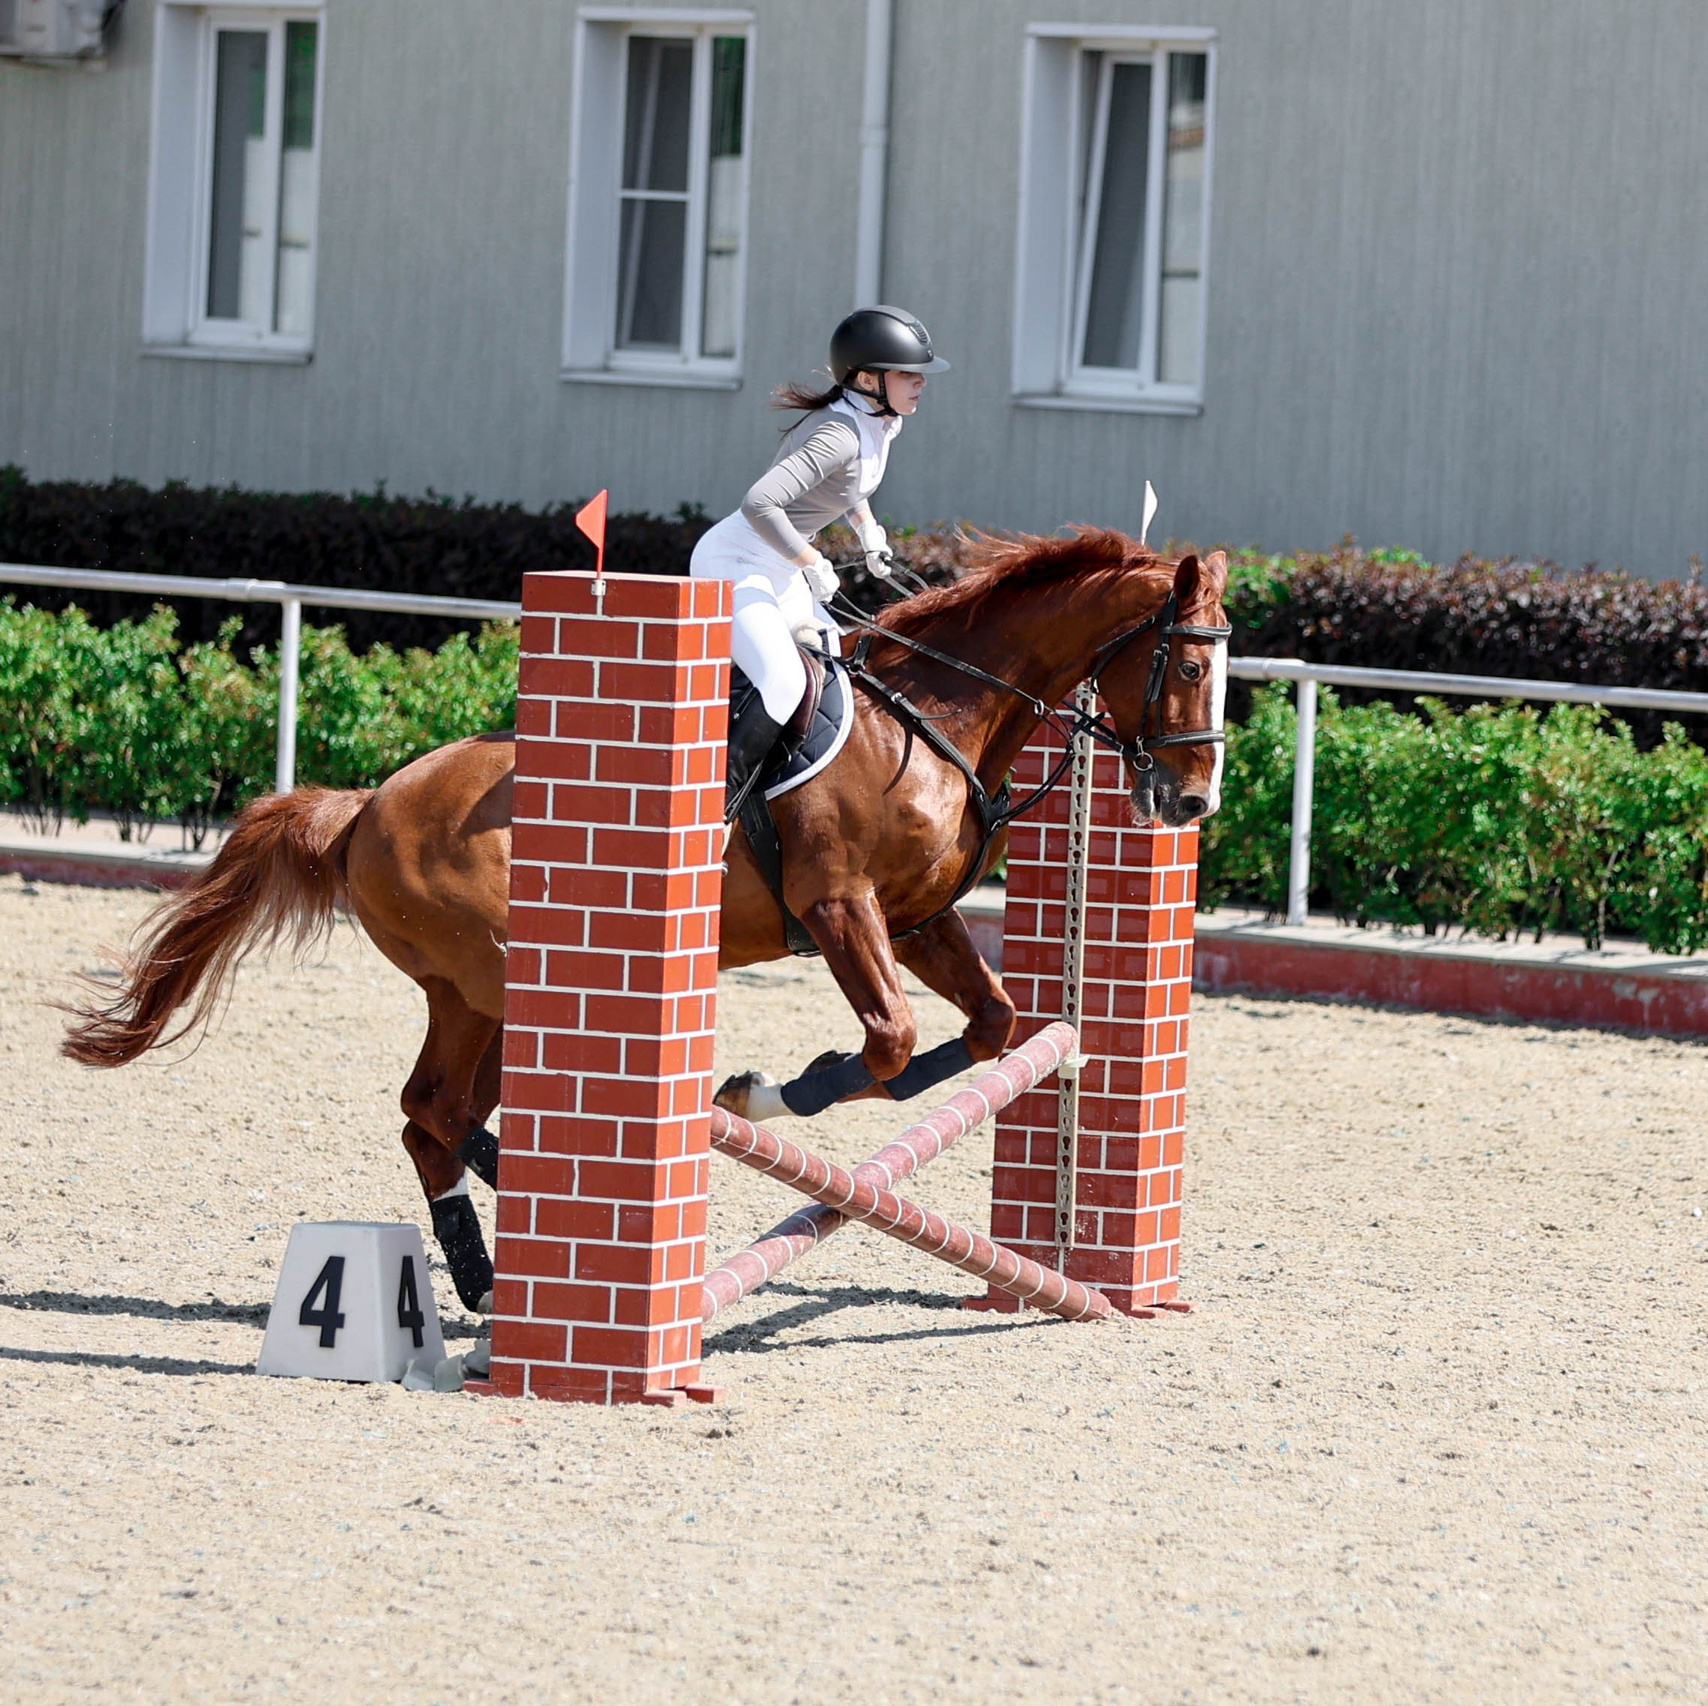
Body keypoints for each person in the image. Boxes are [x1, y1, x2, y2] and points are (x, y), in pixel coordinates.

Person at [690, 304, 950, 816]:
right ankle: (713, 812)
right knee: (784, 682)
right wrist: (811, 558)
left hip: (778, 565)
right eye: (908, 374)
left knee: (839, 660)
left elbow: (848, 486)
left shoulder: (879, 422)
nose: (920, 384)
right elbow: (760, 503)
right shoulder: (839, 433)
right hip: (737, 562)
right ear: (868, 378)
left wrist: (867, 531)